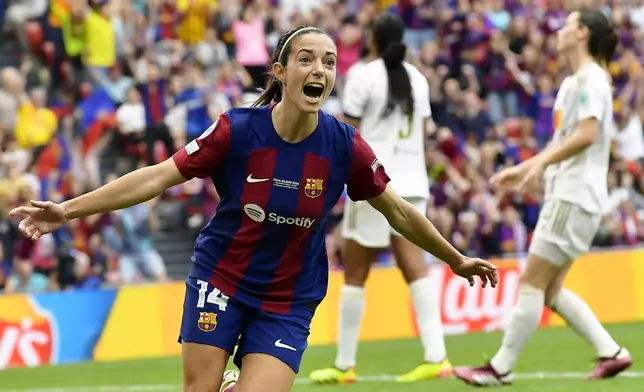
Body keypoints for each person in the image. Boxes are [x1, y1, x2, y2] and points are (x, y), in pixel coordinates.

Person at [10, 25, 498, 392]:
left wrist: (454, 259)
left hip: (288, 297)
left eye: (329, 62)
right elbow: (158, 176)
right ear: (281, 72)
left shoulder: (344, 146)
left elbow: (398, 212)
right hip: (221, 278)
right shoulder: (236, 130)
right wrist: (68, 210)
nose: (320, 70)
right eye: (306, 59)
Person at [454, 9, 632, 387]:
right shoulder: (576, 82)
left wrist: (538, 168)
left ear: (582, 33)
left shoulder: (591, 79)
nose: (560, 31)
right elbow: (563, 140)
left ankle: (500, 367)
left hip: (573, 196)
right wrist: (529, 169)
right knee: (550, 291)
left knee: (531, 284)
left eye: (568, 24)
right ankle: (612, 352)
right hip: (571, 194)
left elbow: (585, 135)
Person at [309, 13, 451, 385]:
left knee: (356, 271)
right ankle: (437, 356)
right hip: (413, 181)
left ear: (372, 39)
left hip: (374, 180)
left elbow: (349, 134)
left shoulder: (364, 75)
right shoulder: (418, 79)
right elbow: (423, 132)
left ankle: (344, 364)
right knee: (414, 267)